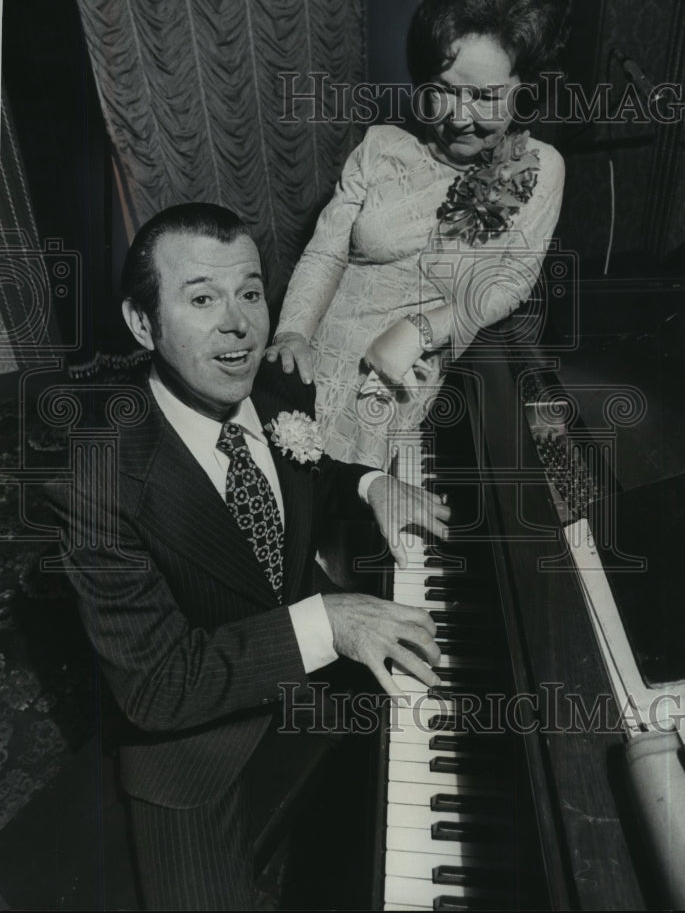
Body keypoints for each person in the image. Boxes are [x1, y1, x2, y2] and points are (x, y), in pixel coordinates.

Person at [46, 202, 448, 911]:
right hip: (194, 745)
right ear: (143, 324)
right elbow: (157, 689)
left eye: (251, 292)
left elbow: (306, 476)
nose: (238, 323)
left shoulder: (274, 390)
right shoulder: (98, 482)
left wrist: (369, 480)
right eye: (201, 298)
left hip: (315, 676)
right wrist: (329, 621)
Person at [267, 0, 569, 471]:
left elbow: (511, 283)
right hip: (320, 360)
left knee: (363, 520)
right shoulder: (380, 146)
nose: (457, 118)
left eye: (487, 98)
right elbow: (324, 255)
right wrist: (293, 332)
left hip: (404, 394)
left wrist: (422, 330)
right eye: (444, 91)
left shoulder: (540, 168)